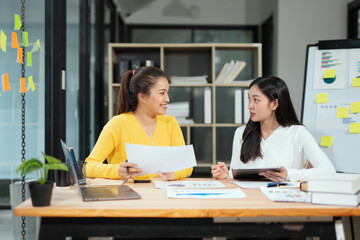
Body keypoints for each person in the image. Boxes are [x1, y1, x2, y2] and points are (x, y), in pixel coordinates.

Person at [211, 76, 335, 182]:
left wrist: (289, 174)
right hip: (251, 201)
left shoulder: (298, 133)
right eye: (249, 99)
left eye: (256, 100)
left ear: (274, 104)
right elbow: (238, 176)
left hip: (282, 202)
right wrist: (227, 175)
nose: (250, 106)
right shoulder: (241, 133)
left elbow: (328, 171)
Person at [85, 66, 193, 181]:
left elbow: (186, 165)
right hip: (127, 196)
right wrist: (116, 171)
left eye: (167, 93)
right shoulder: (117, 124)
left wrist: (173, 174)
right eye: (162, 93)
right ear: (142, 96)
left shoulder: (170, 123)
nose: (167, 99)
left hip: (162, 196)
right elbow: (87, 167)